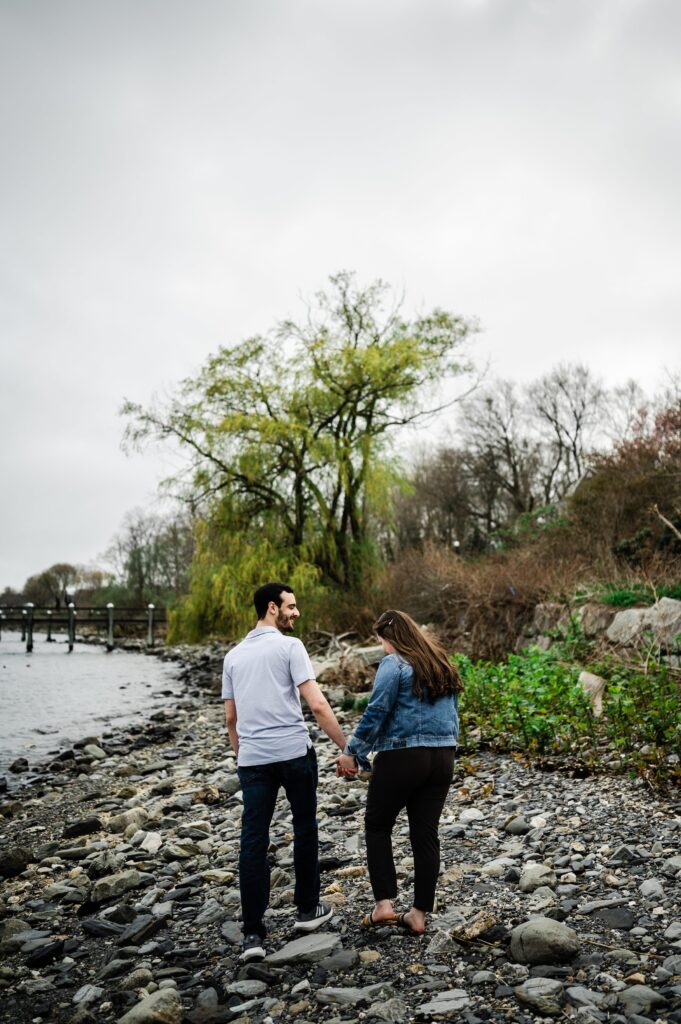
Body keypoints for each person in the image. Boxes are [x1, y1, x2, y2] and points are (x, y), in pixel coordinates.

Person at [223, 582, 351, 962]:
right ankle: (307, 910)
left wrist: (244, 756)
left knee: (253, 840)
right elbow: (318, 705)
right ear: (271, 608)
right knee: (304, 826)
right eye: (291, 607)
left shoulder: (233, 657)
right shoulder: (290, 647)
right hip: (294, 753)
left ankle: (252, 935)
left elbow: (231, 718)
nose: (296, 613)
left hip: (254, 760)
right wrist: (347, 748)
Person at [336, 610, 462, 935]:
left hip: (404, 756)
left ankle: (384, 906)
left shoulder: (395, 663)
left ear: (388, 637)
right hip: (443, 757)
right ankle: (418, 915)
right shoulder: (440, 662)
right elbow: (452, 715)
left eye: (380, 641)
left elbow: (377, 710)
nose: (381, 647)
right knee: (425, 833)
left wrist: (352, 753)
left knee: (377, 825)